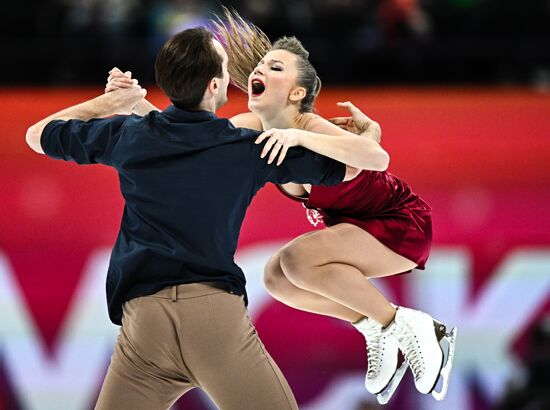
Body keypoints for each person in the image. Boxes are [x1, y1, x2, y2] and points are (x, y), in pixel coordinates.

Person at [107, 11, 457, 404]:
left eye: (275, 67)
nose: (260, 69)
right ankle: (374, 324)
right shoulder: (249, 127)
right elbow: (185, 142)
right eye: (260, 65)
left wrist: (302, 134)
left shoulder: (309, 126)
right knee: (276, 278)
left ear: (295, 93)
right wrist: (135, 104)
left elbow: (377, 158)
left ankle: (411, 326)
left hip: (400, 226)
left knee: (295, 261)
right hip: (355, 233)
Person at [25, 27, 352, 410]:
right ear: (215, 86)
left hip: (145, 328)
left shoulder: (131, 136)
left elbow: (38, 134)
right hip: (213, 323)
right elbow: (344, 167)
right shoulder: (245, 148)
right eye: (228, 70)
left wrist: (109, 102)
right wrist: (310, 129)